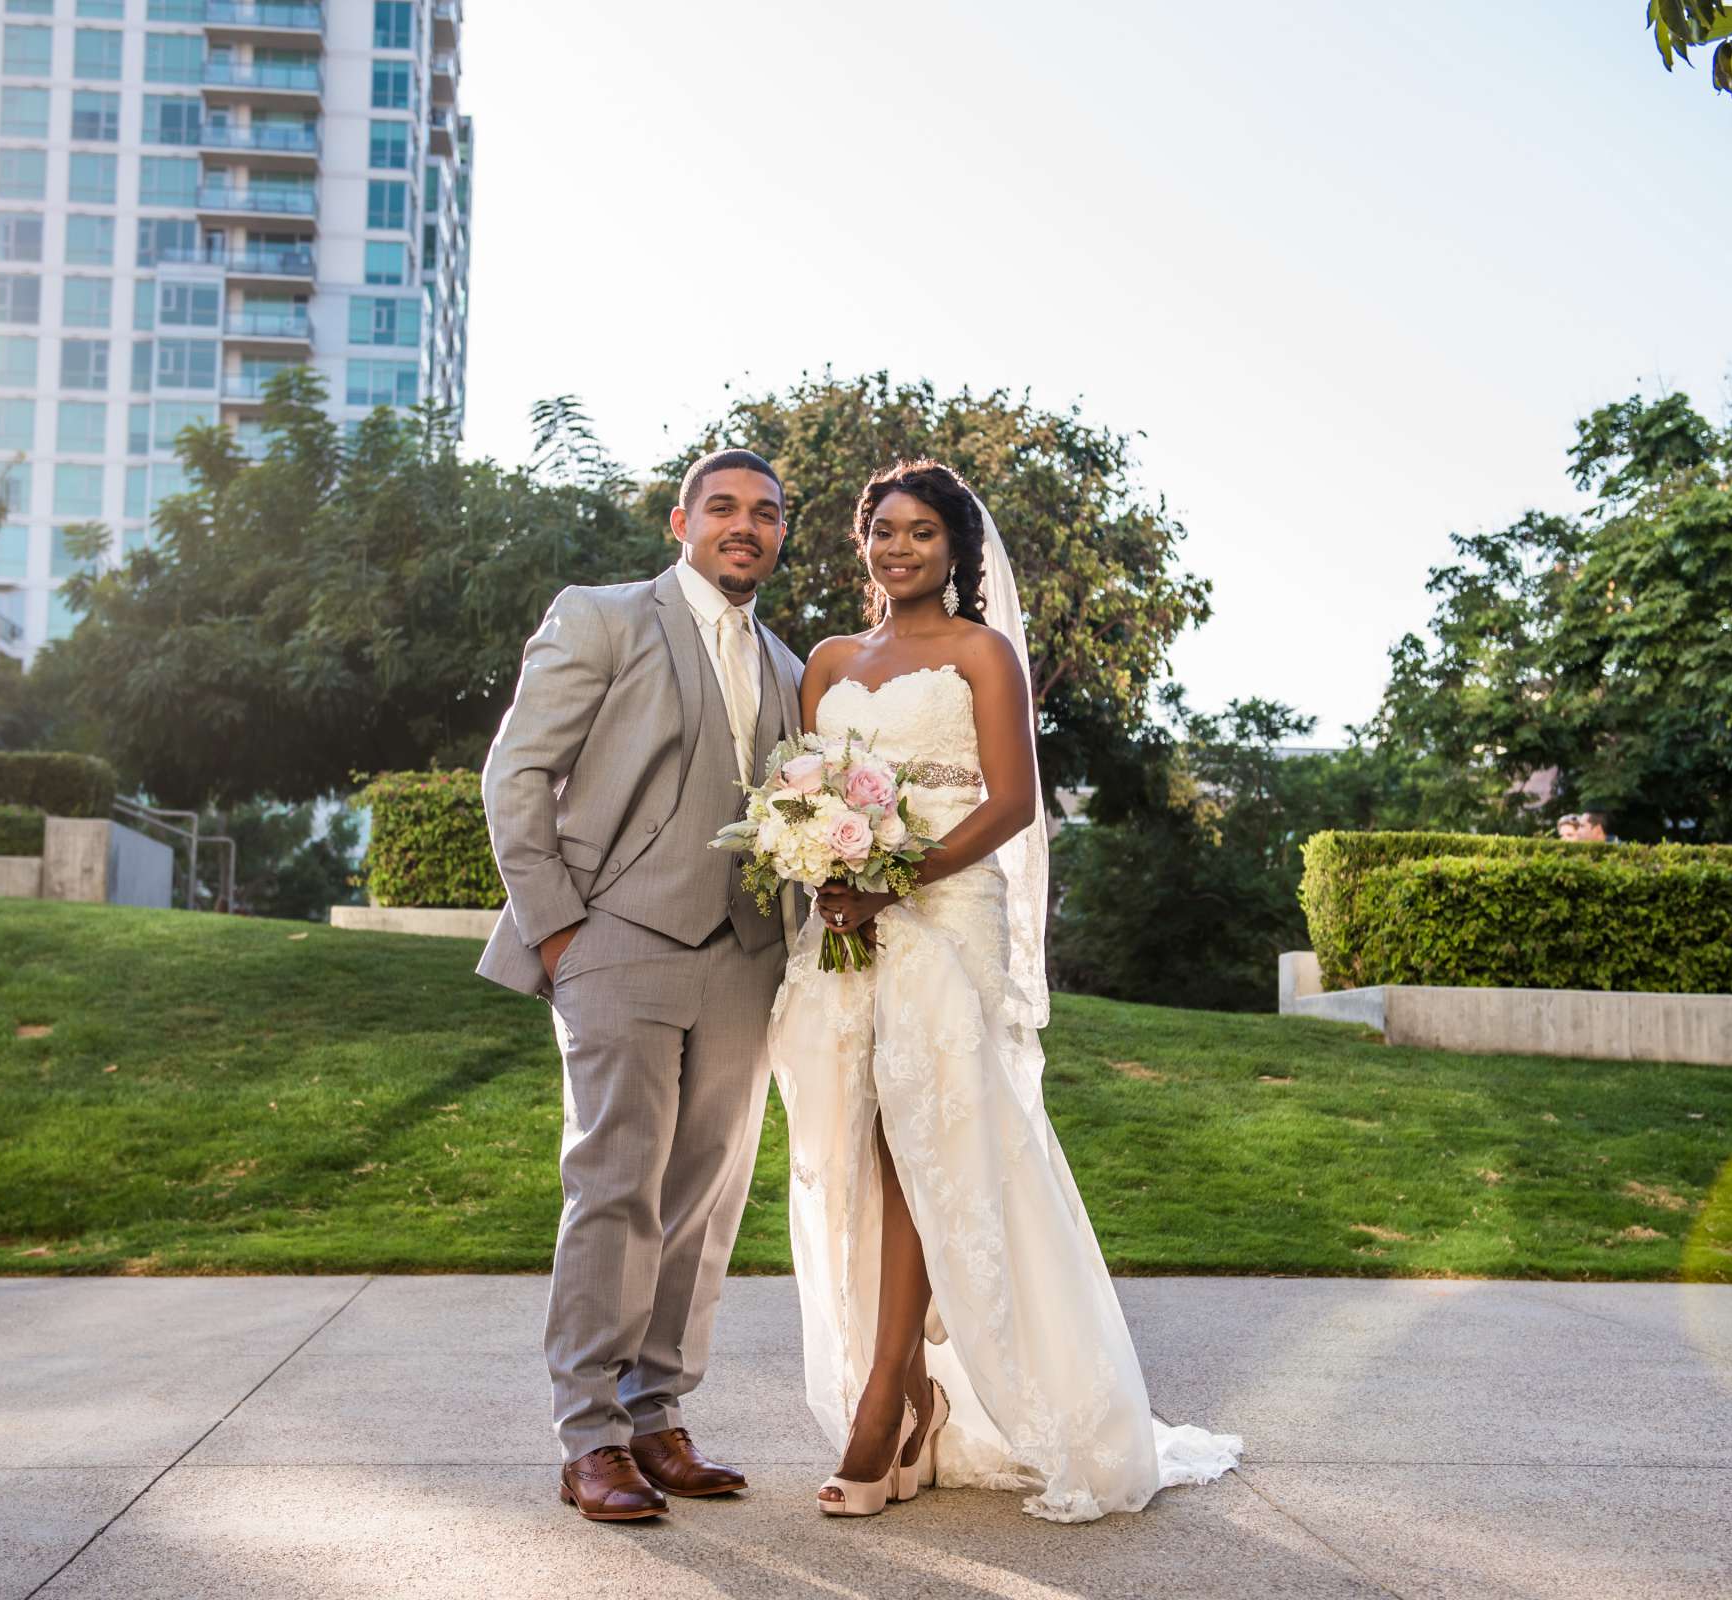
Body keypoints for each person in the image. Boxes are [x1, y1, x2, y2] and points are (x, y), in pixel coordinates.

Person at [768, 460, 1243, 1521]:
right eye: (883, 530)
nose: (900, 549)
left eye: (922, 533)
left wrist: (894, 877)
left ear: (956, 550)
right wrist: (828, 873)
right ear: (863, 543)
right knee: (860, 1148)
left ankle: (888, 1404)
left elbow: (1014, 802)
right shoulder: (830, 662)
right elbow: (808, 790)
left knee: (934, 1143)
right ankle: (913, 1398)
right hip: (848, 920)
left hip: (945, 914)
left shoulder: (984, 652)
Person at [478, 449, 805, 1522]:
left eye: (764, 512)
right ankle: (589, 1436)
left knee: (706, 1198)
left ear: (780, 535)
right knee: (614, 1187)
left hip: (747, 957)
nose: (742, 526)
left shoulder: (795, 666)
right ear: (681, 520)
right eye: (723, 507)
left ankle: (657, 1414)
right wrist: (558, 927)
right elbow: (516, 772)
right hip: (616, 937)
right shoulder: (603, 616)